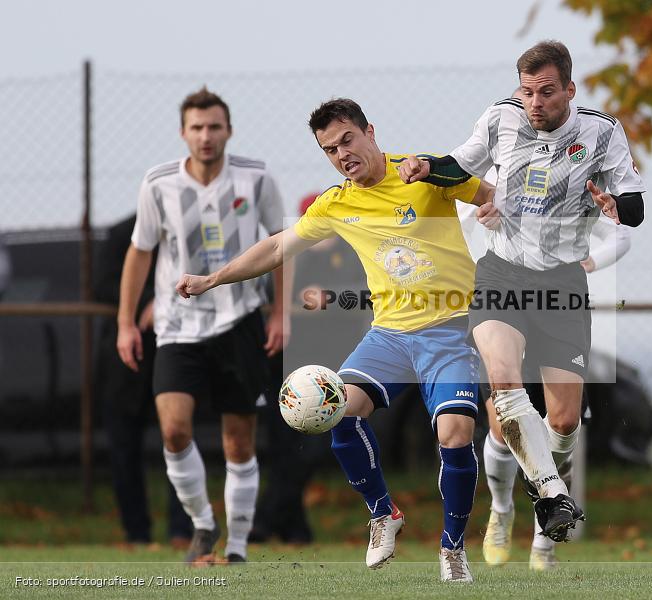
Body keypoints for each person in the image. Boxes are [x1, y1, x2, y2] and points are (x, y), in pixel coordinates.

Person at [175, 98, 498, 582]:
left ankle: (452, 550)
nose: (342, 154)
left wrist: (489, 209)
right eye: (330, 149)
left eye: (347, 140)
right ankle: (383, 513)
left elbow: (486, 193)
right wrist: (215, 277)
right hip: (388, 334)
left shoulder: (421, 172)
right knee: (337, 409)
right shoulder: (337, 202)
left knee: (454, 436)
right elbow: (276, 247)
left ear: (370, 131)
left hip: (449, 330)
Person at [400, 40, 646, 548]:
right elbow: (458, 167)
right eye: (528, 91)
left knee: (563, 421)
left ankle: (541, 519)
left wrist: (613, 203)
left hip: (561, 284)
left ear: (569, 90)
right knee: (504, 385)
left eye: (547, 92)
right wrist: (427, 166)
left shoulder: (603, 133)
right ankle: (511, 504)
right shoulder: (500, 119)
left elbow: (636, 210)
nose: (535, 102)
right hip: (501, 275)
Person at [116, 87, 288, 565]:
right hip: (176, 328)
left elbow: (280, 244)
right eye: (197, 127)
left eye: (214, 126)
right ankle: (202, 524)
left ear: (228, 130)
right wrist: (126, 323)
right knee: (173, 431)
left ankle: (236, 547)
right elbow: (140, 251)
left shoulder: (255, 178)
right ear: (183, 133)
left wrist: (278, 312)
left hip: (239, 321)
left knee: (238, 440)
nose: (206, 136)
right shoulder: (159, 183)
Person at [250, 193, 369, 545]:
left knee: (317, 447)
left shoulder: (352, 253)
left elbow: (370, 294)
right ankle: (295, 529)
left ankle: (264, 521)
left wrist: (329, 297)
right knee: (285, 448)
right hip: (287, 365)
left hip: (335, 365)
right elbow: (271, 301)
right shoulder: (290, 257)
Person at [95, 213, 193, 546]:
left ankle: (182, 529)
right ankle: (136, 533)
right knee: (124, 449)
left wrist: (165, 299)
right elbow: (102, 284)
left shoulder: (187, 236)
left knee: (178, 438)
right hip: (126, 362)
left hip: (175, 354)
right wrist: (149, 298)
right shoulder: (122, 233)